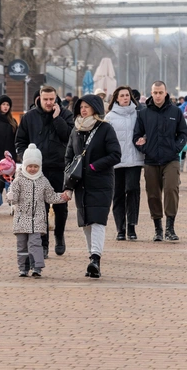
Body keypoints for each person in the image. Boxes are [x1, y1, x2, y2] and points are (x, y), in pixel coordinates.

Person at [65, 95, 121, 278]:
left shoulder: (105, 129)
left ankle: (96, 258)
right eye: (81, 107)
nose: (83, 110)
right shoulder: (76, 130)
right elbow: (68, 157)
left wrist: (94, 166)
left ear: (95, 108)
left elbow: (115, 155)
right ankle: (92, 258)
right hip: (81, 184)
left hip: (101, 183)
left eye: (87, 107)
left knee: (98, 220)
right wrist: (69, 182)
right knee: (86, 222)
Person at [16, 86, 75, 258]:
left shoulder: (65, 115)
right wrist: (24, 158)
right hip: (37, 170)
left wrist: (57, 119)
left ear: (56, 98)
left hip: (59, 167)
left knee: (61, 206)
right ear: (39, 99)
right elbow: (20, 141)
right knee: (40, 208)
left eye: (52, 99)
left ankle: (59, 236)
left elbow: (70, 137)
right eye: (46, 99)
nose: (49, 102)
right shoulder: (29, 117)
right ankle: (43, 244)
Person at [134, 81, 187, 242]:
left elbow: (183, 133)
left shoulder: (175, 112)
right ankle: (157, 228)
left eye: (160, 92)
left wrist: (176, 148)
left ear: (166, 93)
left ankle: (170, 228)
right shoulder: (144, 113)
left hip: (170, 159)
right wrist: (144, 147)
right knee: (153, 194)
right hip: (151, 160)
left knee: (172, 189)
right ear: (151, 93)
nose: (158, 95)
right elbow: (136, 136)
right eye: (155, 92)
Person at [7, 144, 70, 278]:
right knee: (22, 245)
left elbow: (50, 196)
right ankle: (23, 268)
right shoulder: (18, 181)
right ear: (25, 165)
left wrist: (62, 197)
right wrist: (11, 197)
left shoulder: (43, 181)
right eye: (30, 166)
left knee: (35, 243)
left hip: (37, 220)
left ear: (40, 166)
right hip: (21, 219)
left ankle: (37, 267)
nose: (32, 169)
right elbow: (14, 198)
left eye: (35, 166)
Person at [105, 86, 144, 241]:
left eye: (127, 95)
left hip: (134, 159)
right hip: (116, 161)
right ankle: (120, 228)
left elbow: (144, 131)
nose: (125, 98)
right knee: (118, 194)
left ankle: (132, 226)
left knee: (133, 189)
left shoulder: (138, 114)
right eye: (122, 95)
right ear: (116, 98)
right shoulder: (110, 117)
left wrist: (144, 138)